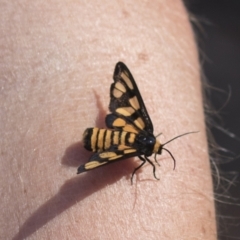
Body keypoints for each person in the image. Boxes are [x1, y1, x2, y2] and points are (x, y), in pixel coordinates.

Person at [1, 1, 217, 239]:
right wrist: (114, 164)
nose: (154, 150)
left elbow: (129, 101)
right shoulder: (137, 155)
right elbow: (118, 157)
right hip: (102, 143)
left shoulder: (145, 128)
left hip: (104, 137)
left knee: (115, 150)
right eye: (155, 149)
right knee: (109, 158)